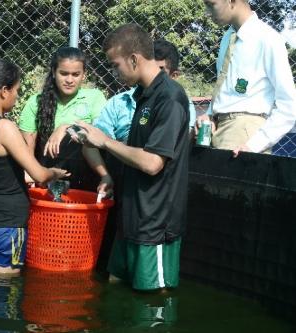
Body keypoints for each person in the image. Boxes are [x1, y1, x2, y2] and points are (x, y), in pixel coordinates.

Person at [76, 23, 190, 291]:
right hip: (131, 216)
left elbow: (152, 163)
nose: (114, 72)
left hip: (156, 224)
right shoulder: (142, 95)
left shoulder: (170, 98)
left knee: (154, 300)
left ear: (134, 59)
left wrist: (104, 141)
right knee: (116, 286)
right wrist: (111, 177)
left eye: (116, 65)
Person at [0, 59, 69, 275]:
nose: (17, 96)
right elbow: (39, 173)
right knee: (2, 289)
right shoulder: (4, 127)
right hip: (7, 223)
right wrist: (55, 173)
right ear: (4, 91)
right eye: (16, 91)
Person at [197, 0, 296, 157]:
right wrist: (209, 115)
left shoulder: (268, 39)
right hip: (217, 128)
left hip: (244, 133)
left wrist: (254, 144)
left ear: (231, 1)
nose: (207, 12)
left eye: (211, 4)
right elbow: (225, 92)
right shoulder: (227, 38)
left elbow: (289, 106)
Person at [19, 47, 106, 190]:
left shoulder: (94, 97)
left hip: (86, 178)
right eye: (64, 73)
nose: (69, 80)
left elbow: (100, 134)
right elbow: (28, 149)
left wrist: (65, 127)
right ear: (54, 72)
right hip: (47, 177)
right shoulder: (35, 102)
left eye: (76, 74)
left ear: (84, 75)